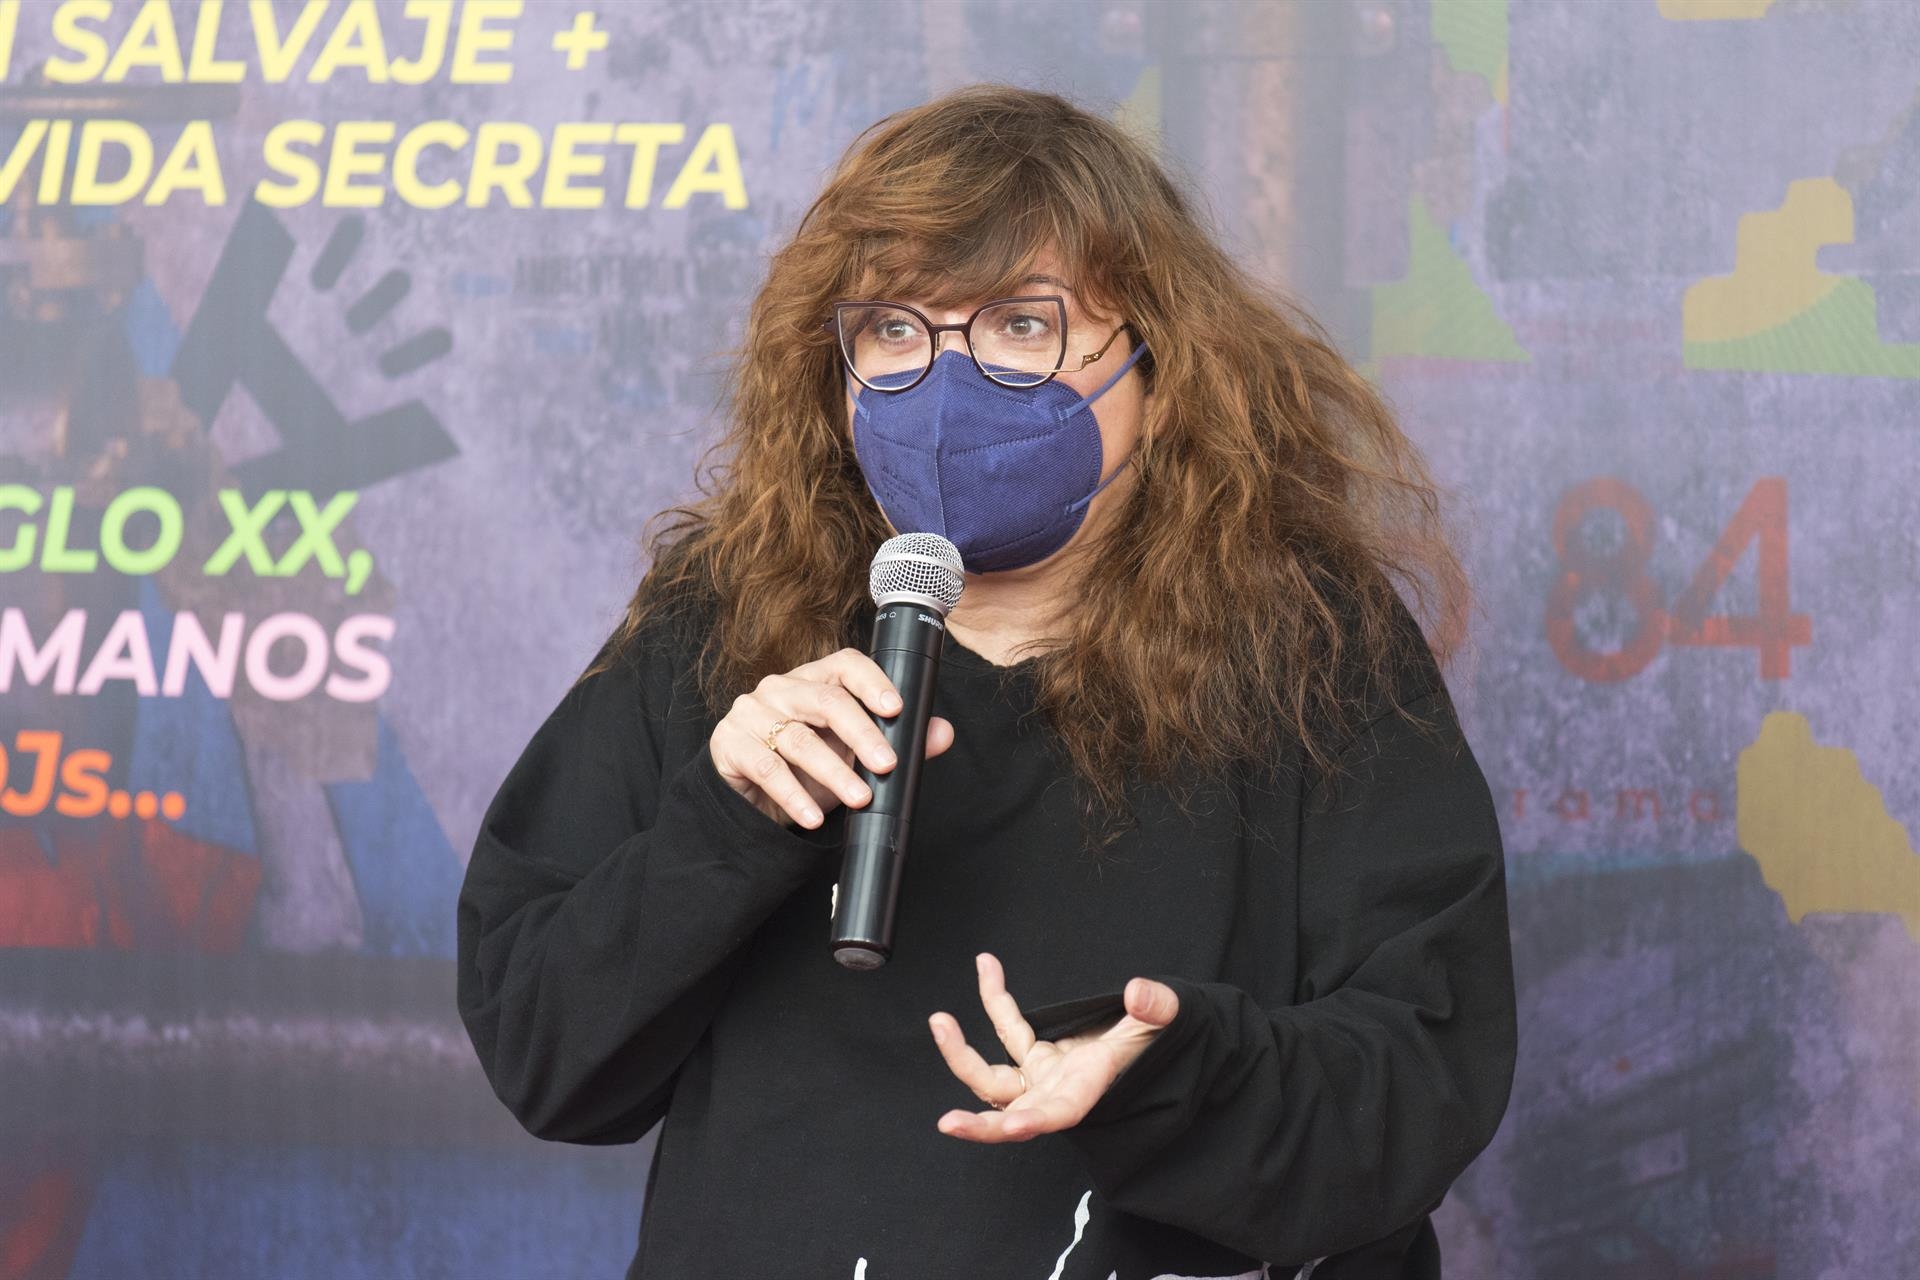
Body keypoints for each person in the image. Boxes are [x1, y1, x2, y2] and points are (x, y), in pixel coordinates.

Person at [455, 84, 1516, 1280]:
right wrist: (726, 824)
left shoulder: (1310, 648)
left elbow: (1425, 1075)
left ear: (1160, 373)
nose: (947, 389)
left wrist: (1180, 1076)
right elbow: (546, 1053)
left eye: (1021, 325)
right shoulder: (726, 619)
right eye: (896, 331)